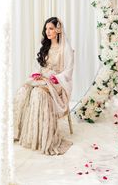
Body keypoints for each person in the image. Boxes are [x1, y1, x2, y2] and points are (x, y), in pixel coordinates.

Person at [14, 17, 74, 155]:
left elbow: (68, 71)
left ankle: (40, 137)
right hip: (43, 78)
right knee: (23, 90)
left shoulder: (65, 49)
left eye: (51, 28)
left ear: (58, 30)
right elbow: (38, 66)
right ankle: (21, 132)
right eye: (46, 29)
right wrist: (36, 74)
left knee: (38, 94)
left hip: (57, 83)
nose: (48, 31)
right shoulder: (45, 47)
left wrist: (55, 77)